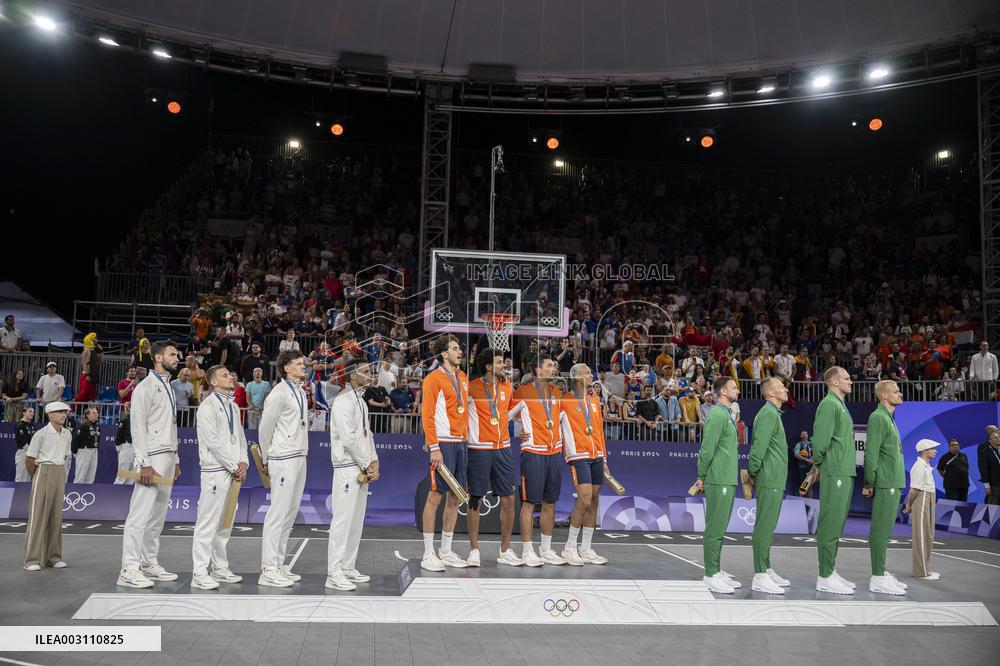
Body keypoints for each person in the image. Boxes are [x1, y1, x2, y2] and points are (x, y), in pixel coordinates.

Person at [117, 341, 182, 589]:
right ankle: (128, 568)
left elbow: (171, 425)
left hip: (167, 456)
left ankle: (148, 563)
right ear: (157, 357)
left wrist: (175, 459)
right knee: (140, 515)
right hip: (151, 458)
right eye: (172, 354)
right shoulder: (144, 387)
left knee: (157, 515)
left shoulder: (168, 387)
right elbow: (138, 427)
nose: (177, 357)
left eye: (177, 354)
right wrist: (143, 462)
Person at [190, 365, 249, 590]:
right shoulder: (207, 407)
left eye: (230, 373)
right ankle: (199, 572)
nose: (230, 376)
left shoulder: (233, 406)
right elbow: (213, 442)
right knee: (207, 522)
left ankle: (220, 567)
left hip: (233, 471)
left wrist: (243, 461)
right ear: (213, 382)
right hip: (215, 471)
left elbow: (241, 437)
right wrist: (235, 465)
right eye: (224, 375)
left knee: (225, 523)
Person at [257, 349, 310, 587]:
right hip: (282, 457)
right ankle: (268, 568)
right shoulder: (278, 393)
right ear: (286, 368)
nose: (303, 366)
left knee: (290, 513)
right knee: (278, 513)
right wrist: (267, 458)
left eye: (303, 363)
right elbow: (265, 428)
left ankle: (278, 564)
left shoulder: (299, 391)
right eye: (298, 364)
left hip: (299, 455)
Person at [326, 358, 380, 591]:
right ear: (353, 376)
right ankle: (334, 572)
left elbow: (366, 435)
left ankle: (347, 566)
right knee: (342, 521)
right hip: (347, 467)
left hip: (361, 467)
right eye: (366, 371)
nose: (371, 375)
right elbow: (348, 438)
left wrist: (374, 459)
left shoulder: (362, 402)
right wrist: (367, 462)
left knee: (356, 522)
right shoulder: (343, 401)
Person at [419, 334, 471, 572]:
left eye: (459, 347)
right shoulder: (433, 379)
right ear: (444, 354)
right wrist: (434, 447)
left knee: (454, 497)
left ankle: (446, 550)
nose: (460, 351)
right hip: (443, 444)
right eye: (455, 348)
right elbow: (427, 416)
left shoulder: (462, 377)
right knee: (435, 497)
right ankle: (428, 553)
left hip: (460, 444)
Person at [466, 348, 521, 567]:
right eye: (499, 362)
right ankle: (474, 550)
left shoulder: (507, 386)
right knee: (475, 499)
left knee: (508, 498)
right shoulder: (470, 388)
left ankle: (505, 550)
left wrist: (520, 427)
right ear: (489, 367)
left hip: (503, 448)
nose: (504, 365)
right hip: (479, 448)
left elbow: (508, 411)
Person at [511, 355, 566, 567]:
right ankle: (527, 550)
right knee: (529, 503)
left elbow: (561, 419)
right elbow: (506, 416)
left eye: (554, 365)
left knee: (550, 502)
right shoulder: (523, 392)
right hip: (533, 452)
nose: (554, 368)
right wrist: (519, 432)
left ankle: (546, 548)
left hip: (554, 452)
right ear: (537, 370)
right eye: (549, 365)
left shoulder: (556, 392)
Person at [693, 376, 742, 593]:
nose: (737, 390)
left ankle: (717, 569)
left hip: (727, 477)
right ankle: (710, 574)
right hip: (717, 478)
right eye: (733, 387)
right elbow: (706, 450)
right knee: (714, 529)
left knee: (720, 529)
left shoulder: (726, 414)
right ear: (722, 392)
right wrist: (702, 476)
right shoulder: (717, 415)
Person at [559, 363, 609, 566]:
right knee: (585, 499)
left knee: (594, 500)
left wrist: (604, 458)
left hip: (596, 454)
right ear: (577, 377)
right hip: (578, 456)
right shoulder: (564, 401)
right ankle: (569, 547)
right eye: (587, 373)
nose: (591, 376)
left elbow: (598, 430)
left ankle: (586, 547)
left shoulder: (594, 399)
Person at [812, 366, 857, 595]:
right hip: (835, 470)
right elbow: (820, 441)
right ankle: (825, 576)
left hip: (844, 470)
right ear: (835, 382)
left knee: (837, 525)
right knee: (830, 524)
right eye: (847, 378)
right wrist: (819, 463)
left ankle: (830, 569)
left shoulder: (840, 404)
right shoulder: (829, 404)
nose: (851, 381)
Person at [862, 380, 907, 595]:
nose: (900, 393)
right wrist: (870, 481)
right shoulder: (878, 417)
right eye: (896, 391)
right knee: (880, 531)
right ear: (884, 396)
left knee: (885, 530)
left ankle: (881, 571)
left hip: (894, 481)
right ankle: (877, 577)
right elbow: (871, 452)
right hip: (886, 481)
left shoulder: (889, 417)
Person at [747, 377, 791, 594]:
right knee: (764, 526)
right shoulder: (767, 414)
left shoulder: (773, 413)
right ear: (771, 393)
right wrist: (754, 473)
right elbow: (758, 448)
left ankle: (765, 567)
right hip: (769, 477)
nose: (786, 389)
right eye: (782, 387)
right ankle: (760, 574)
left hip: (775, 477)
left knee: (769, 526)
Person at [22, 401, 72, 571]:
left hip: (59, 472)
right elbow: (29, 460)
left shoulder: (67, 434)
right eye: (60, 412)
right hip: (43, 471)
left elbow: (65, 457)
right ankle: (31, 560)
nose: (64, 415)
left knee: (56, 517)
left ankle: (53, 557)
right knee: (37, 518)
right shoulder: (40, 435)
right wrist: (37, 477)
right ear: (50, 415)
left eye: (65, 412)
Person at [904, 439, 942, 580]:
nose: (935, 450)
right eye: (933, 448)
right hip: (922, 499)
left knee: (928, 535)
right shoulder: (918, 467)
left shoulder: (926, 466)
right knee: (921, 535)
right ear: (925, 451)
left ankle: (926, 568)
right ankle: (921, 571)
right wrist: (908, 506)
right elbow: (914, 489)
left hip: (929, 498)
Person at [70, 405, 101, 484]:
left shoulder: (97, 426)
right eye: (94, 413)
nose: (96, 414)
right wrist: (75, 452)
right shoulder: (83, 426)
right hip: (84, 451)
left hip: (94, 450)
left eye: (97, 413)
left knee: (91, 475)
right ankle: (76, 493)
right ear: (88, 415)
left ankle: (87, 493)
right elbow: (75, 440)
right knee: (80, 476)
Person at [74, 333, 103, 403]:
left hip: (93, 374)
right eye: (94, 338)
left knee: (91, 394)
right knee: (83, 393)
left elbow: (101, 360)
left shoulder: (94, 351)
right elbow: (84, 363)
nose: (96, 340)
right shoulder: (87, 350)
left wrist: (100, 350)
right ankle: (74, 409)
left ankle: (87, 409)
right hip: (87, 375)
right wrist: (87, 374)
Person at [113, 402, 134, 485]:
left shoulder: (140, 421)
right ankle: (115, 494)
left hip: (136, 448)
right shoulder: (125, 420)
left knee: (132, 475)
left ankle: (127, 494)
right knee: (122, 473)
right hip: (126, 447)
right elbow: (119, 436)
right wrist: (119, 449)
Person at [979, 429, 1000, 506]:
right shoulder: (985, 452)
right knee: (993, 506)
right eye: (995, 438)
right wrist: (987, 486)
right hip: (994, 484)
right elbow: (984, 469)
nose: (998, 439)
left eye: (998, 437)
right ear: (990, 441)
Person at [14, 406, 36, 482]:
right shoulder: (20, 425)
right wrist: (32, 451)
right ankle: (18, 493)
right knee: (21, 477)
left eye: (33, 412)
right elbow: (22, 441)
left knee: (29, 477)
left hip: (31, 454)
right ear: (24, 413)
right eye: (30, 411)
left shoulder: (32, 426)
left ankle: (26, 494)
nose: (32, 413)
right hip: (23, 452)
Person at [793, 431, 816, 497]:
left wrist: (813, 460)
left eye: (806, 434)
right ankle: (800, 501)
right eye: (803, 434)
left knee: (810, 485)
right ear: (801, 436)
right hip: (802, 467)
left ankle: (811, 502)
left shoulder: (811, 444)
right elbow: (796, 454)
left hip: (811, 468)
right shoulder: (799, 444)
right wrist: (806, 460)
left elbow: (816, 454)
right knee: (803, 485)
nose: (805, 435)